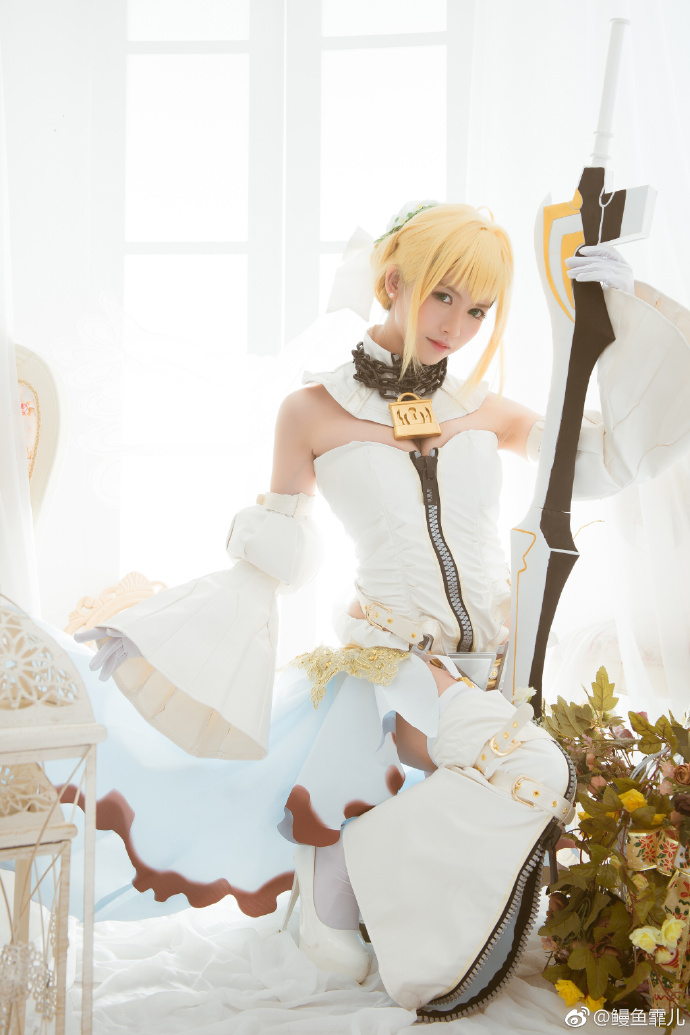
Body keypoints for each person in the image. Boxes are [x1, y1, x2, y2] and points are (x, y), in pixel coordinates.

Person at [75, 201, 690, 1020]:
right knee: (537, 771)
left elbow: (609, 460)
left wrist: (616, 312)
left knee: (523, 785)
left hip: (488, 668)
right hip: (393, 663)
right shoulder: (310, 411)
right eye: (444, 296)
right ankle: (359, 871)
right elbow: (273, 559)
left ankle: (351, 862)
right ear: (394, 281)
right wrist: (163, 631)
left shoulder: (484, 407)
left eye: (479, 310)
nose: (457, 326)